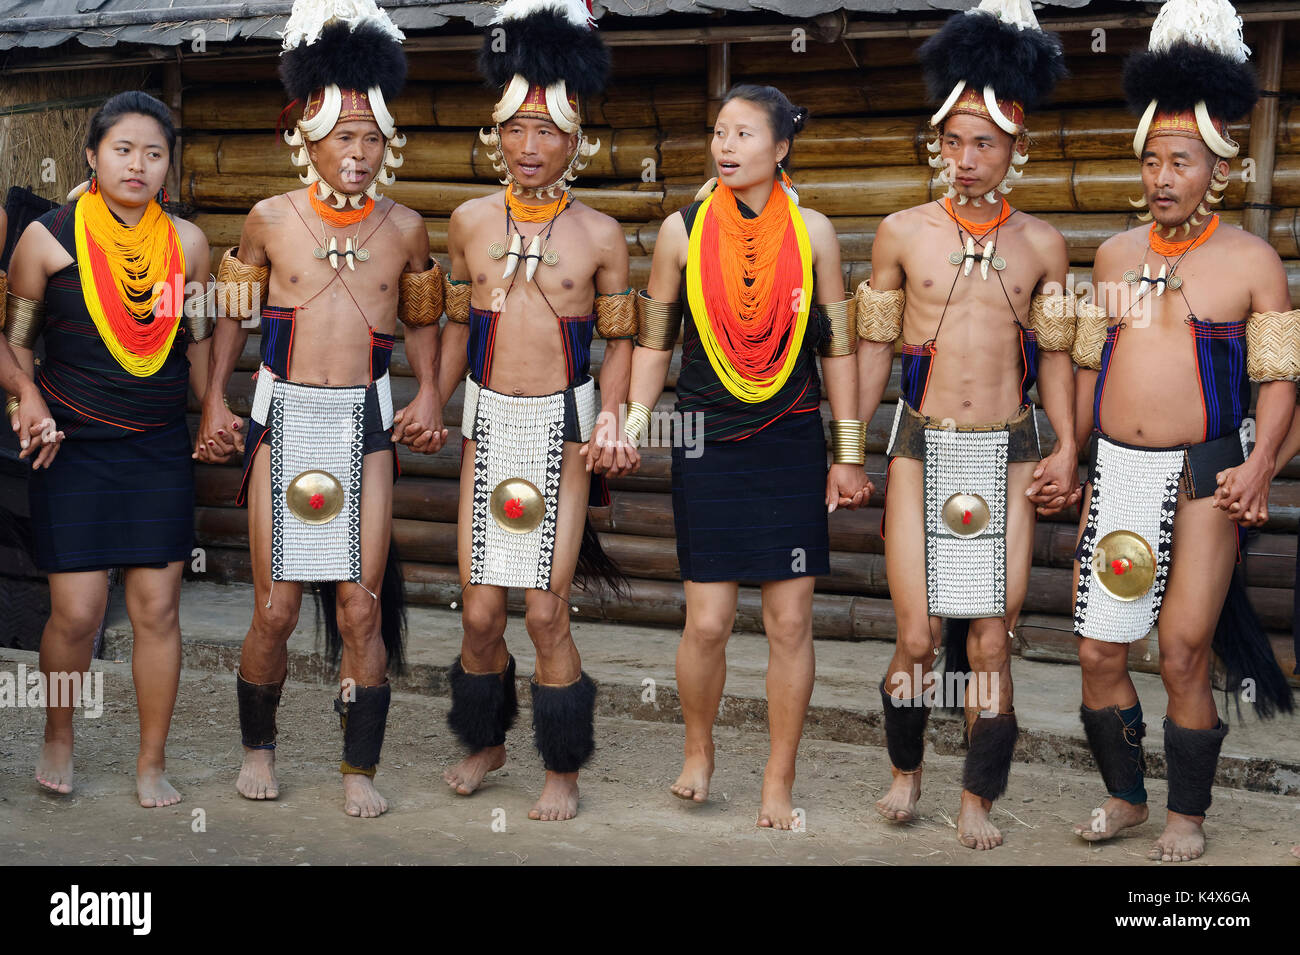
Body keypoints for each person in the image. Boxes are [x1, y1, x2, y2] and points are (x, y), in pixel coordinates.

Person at [198, 0, 446, 818]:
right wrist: (212, 407)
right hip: (284, 418)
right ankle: (259, 749)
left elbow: (423, 325)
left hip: (364, 428)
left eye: (372, 138)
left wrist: (434, 396)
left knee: (359, 605)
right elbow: (231, 321)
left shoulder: (407, 229)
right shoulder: (268, 220)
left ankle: (356, 768)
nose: (359, 152)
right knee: (274, 606)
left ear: (389, 145)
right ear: (308, 136)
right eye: (344, 136)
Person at [1069, 0, 1294, 862]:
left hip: (1207, 476)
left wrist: (1261, 465)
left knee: (1185, 648)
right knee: (1096, 650)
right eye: (1155, 160)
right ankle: (1127, 796)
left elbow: (1279, 382)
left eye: (1184, 161)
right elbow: (1090, 365)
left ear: (1219, 169)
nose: (1165, 176)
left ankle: (1186, 815)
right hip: (1120, 470)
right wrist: (1076, 454)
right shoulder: (1116, 258)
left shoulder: (1251, 263)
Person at [619, 84, 867, 830]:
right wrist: (634, 422)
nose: (726, 147)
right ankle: (699, 750)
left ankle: (778, 778)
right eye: (720, 133)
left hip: (790, 437)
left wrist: (846, 453)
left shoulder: (814, 231)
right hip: (705, 438)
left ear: (781, 148)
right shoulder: (681, 231)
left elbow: (839, 350)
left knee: (790, 623)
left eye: (744, 134)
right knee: (708, 622)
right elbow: (655, 339)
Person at [857, 0, 1076, 849]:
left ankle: (977, 796)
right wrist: (849, 451)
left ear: (1015, 147)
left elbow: (1055, 358)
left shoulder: (1044, 245)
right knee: (916, 634)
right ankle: (906, 770)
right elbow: (875, 352)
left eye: (984, 142)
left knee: (990, 635)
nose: (967, 158)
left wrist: (1067, 446)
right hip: (920, 446)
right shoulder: (901, 234)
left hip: (1011, 452)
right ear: (937, 145)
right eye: (954, 141)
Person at [436, 0, 633, 823]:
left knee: (546, 609)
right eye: (515, 128)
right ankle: (484, 738)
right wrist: (429, 398)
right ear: (496, 134)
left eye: (546, 130)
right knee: (481, 609)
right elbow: (452, 323)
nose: (528, 146)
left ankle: (563, 764)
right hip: (488, 427)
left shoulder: (602, 234)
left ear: (575, 140)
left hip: (563, 430)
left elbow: (622, 341)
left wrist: (616, 417)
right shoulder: (468, 223)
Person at [1, 90, 211, 807]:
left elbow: (203, 344)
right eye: (123, 149)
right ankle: (59, 731)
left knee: (157, 610)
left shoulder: (186, 245)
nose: (139, 165)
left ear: (166, 168)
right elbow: (16, 346)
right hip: (72, 450)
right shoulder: (46, 240)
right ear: (91, 155)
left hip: (156, 446)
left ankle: (151, 761)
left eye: (154, 153)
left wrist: (214, 405)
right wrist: (26, 403)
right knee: (78, 613)